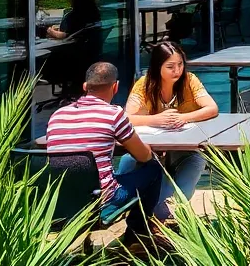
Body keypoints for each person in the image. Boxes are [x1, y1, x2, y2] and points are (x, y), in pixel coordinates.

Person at [47, 62, 163, 245]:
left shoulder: (57, 115)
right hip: (100, 201)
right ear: (115, 87)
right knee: (154, 169)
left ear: (85, 86)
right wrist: (148, 150)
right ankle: (138, 236)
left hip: (60, 201)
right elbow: (143, 156)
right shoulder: (114, 114)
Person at [121, 42, 218, 215]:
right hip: (151, 149)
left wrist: (183, 117)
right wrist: (155, 120)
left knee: (197, 160)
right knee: (129, 160)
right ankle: (132, 205)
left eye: (180, 64)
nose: (177, 70)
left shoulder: (190, 80)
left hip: (185, 147)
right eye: (170, 66)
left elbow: (212, 108)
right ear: (157, 66)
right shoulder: (144, 84)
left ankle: (170, 208)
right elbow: (126, 117)